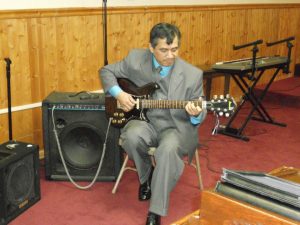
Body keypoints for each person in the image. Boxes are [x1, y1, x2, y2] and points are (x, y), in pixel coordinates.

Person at [99, 22, 206, 225]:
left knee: (167, 150)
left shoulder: (192, 75)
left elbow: (201, 107)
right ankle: (147, 176)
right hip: (143, 121)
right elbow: (106, 71)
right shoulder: (135, 59)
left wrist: (196, 113)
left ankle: (155, 210)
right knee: (130, 137)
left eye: (174, 49)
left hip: (175, 127)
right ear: (151, 48)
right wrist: (119, 94)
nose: (170, 55)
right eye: (163, 50)